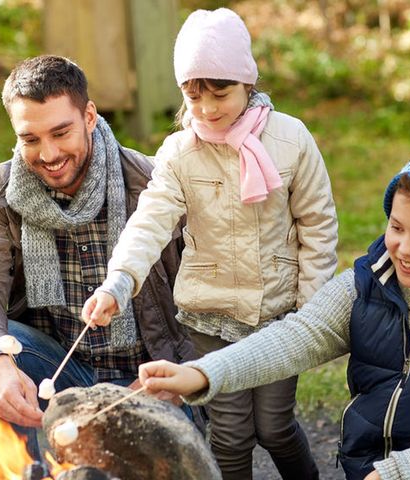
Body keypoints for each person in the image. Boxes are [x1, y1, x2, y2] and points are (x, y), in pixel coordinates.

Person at [138, 146, 410, 480]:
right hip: (374, 465)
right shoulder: (366, 286)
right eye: (396, 227)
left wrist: (395, 473)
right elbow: (296, 337)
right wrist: (200, 373)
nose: (403, 248)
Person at [83, 7, 337, 480]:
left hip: (281, 312)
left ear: (246, 81)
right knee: (230, 433)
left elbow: (318, 226)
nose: (206, 109)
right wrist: (119, 280)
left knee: (275, 427)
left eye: (220, 94)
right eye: (193, 96)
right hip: (211, 313)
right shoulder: (181, 151)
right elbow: (150, 220)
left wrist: (313, 312)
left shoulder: (292, 139)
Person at [0, 55, 196, 432]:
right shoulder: (4, 188)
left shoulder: (154, 182)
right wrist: (0, 368)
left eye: (61, 132)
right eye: (30, 139)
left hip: (151, 377)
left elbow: (209, 299)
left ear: (89, 116)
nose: (48, 155)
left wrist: (181, 376)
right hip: (59, 369)